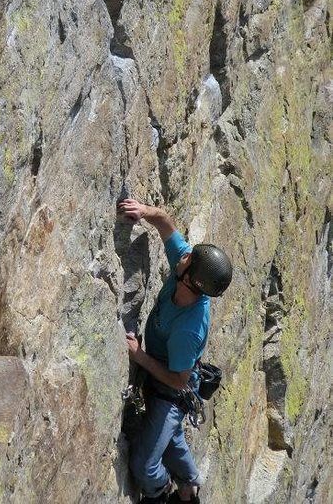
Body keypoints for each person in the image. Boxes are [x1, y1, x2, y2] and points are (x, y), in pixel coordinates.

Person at [117, 199, 233, 504]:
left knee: (145, 463)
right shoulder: (187, 269)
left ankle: (161, 491)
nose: (184, 255)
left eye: (189, 259)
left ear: (190, 281)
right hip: (164, 370)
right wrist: (145, 212)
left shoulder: (188, 329)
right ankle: (190, 483)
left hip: (172, 388)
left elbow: (180, 381)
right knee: (170, 440)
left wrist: (140, 357)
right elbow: (166, 225)